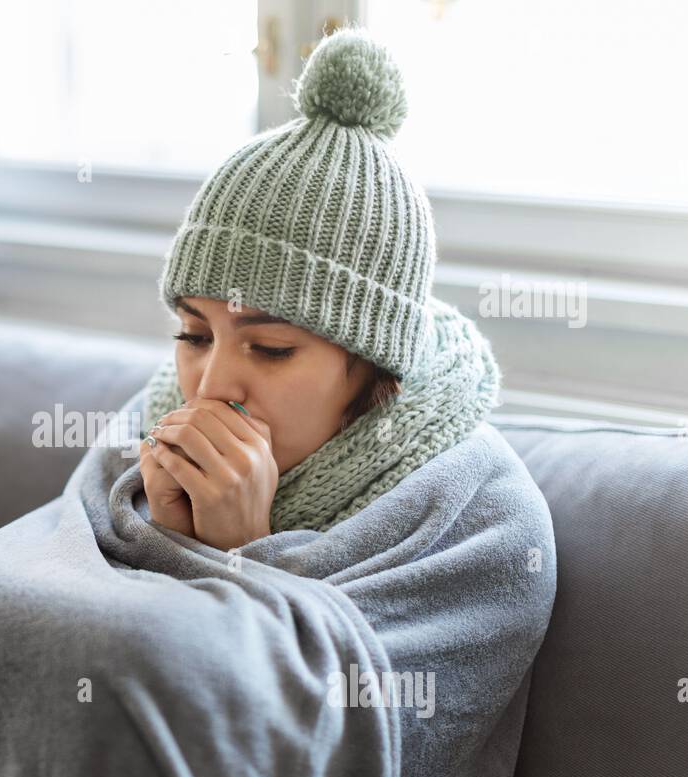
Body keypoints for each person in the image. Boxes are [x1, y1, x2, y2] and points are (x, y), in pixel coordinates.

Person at [137, 25, 497, 550]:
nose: (210, 388)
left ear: (375, 369)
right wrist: (165, 534)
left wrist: (238, 549)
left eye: (271, 349)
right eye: (195, 336)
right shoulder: (150, 424)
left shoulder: (472, 515)